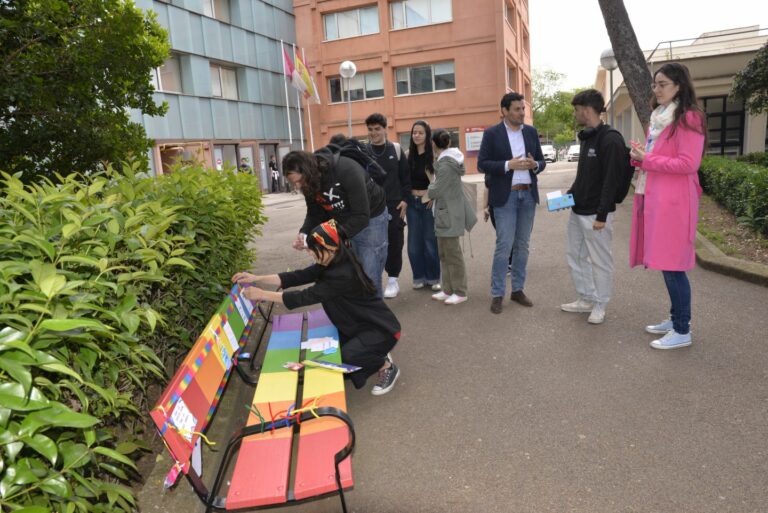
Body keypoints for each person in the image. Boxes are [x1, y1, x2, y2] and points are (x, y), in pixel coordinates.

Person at [232, 220, 401, 395]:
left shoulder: (342, 273)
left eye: (313, 249)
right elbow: (296, 276)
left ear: (330, 248)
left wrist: (262, 294)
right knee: (337, 357)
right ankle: (373, 353)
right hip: (358, 324)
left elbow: (304, 296)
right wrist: (256, 278)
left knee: (347, 356)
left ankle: (385, 365)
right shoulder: (332, 260)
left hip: (381, 328)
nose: (310, 253)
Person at [628, 62, 706, 350]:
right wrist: (640, 156)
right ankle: (675, 320)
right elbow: (660, 157)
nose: (656, 89)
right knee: (666, 263)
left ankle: (682, 329)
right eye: (655, 84)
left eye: (663, 84)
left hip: (675, 202)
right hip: (658, 197)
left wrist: (646, 159)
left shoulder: (689, 118)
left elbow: (688, 163)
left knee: (673, 265)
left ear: (679, 86)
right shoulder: (660, 116)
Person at [282, 149, 389, 298]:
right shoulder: (309, 183)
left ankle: (377, 317)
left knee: (368, 274)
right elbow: (314, 213)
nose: (298, 186)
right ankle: (358, 313)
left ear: (309, 171)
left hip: (372, 217)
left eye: (300, 181)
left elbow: (361, 216)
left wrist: (330, 235)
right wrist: (304, 233)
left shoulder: (346, 170)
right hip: (344, 220)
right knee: (349, 274)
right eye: (295, 183)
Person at [560, 89, 627, 325]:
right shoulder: (588, 137)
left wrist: (601, 215)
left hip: (597, 215)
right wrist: (568, 197)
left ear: (586, 110)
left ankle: (600, 303)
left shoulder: (611, 139)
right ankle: (586, 298)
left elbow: (612, 181)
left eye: (576, 110)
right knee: (575, 256)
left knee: (600, 261)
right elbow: (584, 177)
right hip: (578, 210)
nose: (575, 114)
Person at [478, 92, 546, 314]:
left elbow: (542, 161)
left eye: (523, 109)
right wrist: (508, 165)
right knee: (504, 246)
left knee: (523, 246)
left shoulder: (532, 132)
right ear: (505, 111)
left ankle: (517, 290)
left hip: (527, 196)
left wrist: (534, 164)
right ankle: (497, 293)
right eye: (517, 109)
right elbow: (482, 164)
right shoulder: (492, 134)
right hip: (505, 197)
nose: (522, 113)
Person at [423, 129, 477, 305]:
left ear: (433, 143)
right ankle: (448, 289)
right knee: (444, 254)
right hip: (445, 213)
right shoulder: (447, 160)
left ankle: (460, 291)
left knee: (452, 254)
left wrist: (430, 186)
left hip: (449, 213)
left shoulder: (446, 164)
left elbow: (435, 190)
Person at [366, 113, 411, 299]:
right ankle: (374, 280)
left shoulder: (396, 149)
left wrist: (405, 200)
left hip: (394, 205)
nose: (373, 133)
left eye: (377, 129)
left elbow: (405, 178)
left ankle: (393, 279)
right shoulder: (363, 151)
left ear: (385, 129)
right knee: (373, 245)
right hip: (371, 207)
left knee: (395, 242)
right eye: (370, 130)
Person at [405, 120, 441, 291]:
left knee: (429, 240)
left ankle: (433, 277)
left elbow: (439, 180)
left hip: (428, 201)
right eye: (414, 132)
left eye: (420, 132)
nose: (416, 135)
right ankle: (418, 277)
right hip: (412, 202)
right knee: (414, 242)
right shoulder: (407, 155)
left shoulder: (433, 156)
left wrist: (432, 196)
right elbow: (403, 181)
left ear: (427, 135)